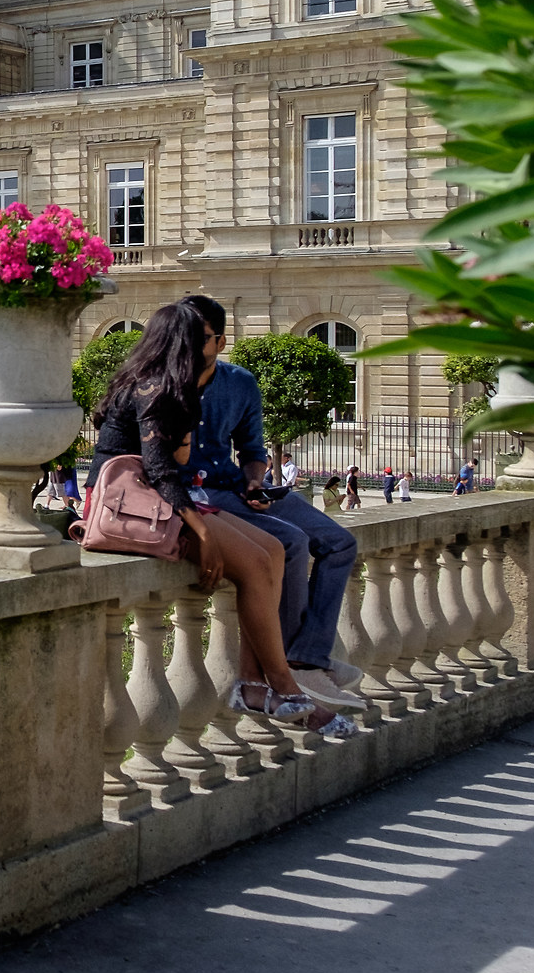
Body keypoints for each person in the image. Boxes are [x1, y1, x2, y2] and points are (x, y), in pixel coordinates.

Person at [90, 302, 356, 733]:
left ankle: (253, 682)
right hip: (139, 505)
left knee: (274, 549)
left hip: (170, 498)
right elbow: (161, 472)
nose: (200, 348)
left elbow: (184, 462)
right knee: (260, 560)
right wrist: (203, 532)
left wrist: (243, 487)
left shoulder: (181, 388)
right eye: (194, 339)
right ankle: (284, 685)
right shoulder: (153, 388)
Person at [173, 294, 365, 712]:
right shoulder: (164, 382)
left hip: (235, 488)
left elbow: (252, 450)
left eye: (199, 337)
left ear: (221, 341)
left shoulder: (239, 382)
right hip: (195, 497)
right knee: (291, 542)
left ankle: (306, 655)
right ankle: (295, 665)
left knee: (340, 543)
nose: (187, 344)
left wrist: (255, 481)